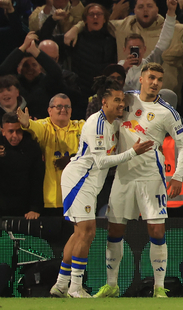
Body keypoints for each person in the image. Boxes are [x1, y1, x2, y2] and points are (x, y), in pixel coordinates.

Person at [94, 63, 183, 298]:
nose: (155, 82)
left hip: (151, 178)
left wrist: (177, 176)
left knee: (156, 232)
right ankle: (112, 285)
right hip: (123, 177)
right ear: (141, 79)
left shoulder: (167, 112)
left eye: (159, 79)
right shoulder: (125, 99)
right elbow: (104, 111)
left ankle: (159, 288)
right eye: (151, 78)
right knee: (114, 231)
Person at [50, 78, 153, 298]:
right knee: (88, 231)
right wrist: (133, 152)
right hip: (80, 179)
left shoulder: (113, 122)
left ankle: (60, 285)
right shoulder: (96, 123)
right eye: (116, 100)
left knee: (79, 233)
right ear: (103, 102)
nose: (120, 104)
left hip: (89, 182)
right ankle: (75, 288)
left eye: (122, 100)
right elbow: (100, 162)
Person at [17, 93, 85, 216]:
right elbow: (34, 127)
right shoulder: (44, 126)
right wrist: (26, 123)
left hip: (78, 196)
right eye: (58, 106)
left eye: (67, 107)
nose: (63, 109)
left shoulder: (81, 126)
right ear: (50, 110)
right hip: (52, 199)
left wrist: (73, 160)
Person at [0, 112, 44, 218]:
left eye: (18, 131)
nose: (15, 136)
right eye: (11, 131)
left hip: (22, 207)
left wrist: (35, 208)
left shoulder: (32, 146)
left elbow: (37, 179)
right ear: (3, 132)